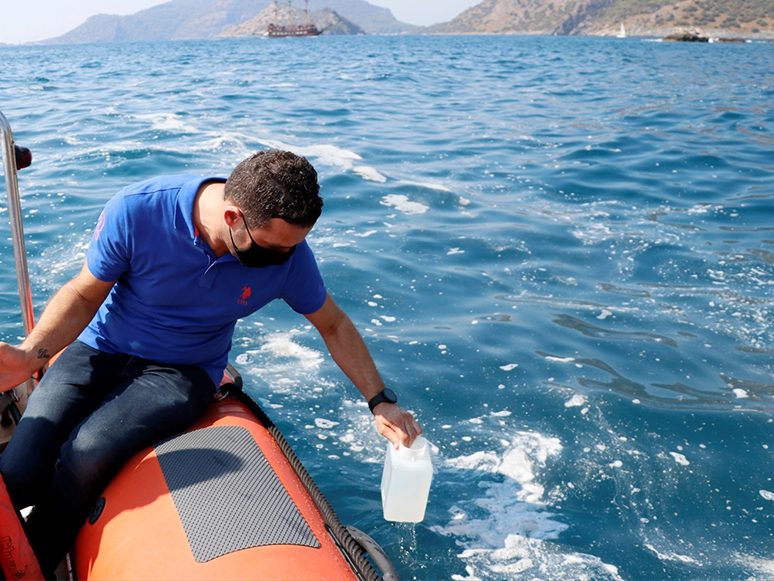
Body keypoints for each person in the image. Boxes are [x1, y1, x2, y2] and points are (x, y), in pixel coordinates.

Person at [0, 150, 422, 575]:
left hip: (183, 371)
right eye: (273, 248)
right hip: (100, 348)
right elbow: (83, 293)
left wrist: (380, 400)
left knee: (87, 453)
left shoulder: (289, 255)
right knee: (17, 472)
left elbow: (333, 325)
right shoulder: (139, 210)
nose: (284, 258)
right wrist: (28, 354)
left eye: (292, 247)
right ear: (233, 216)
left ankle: (27, 564)